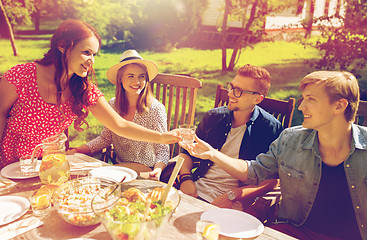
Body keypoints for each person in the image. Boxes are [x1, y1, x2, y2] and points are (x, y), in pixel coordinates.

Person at [181, 71, 365, 240]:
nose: (301, 107)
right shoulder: (289, 140)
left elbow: (270, 183)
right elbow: (255, 171)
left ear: (339, 106)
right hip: (294, 231)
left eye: (311, 99)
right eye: (303, 99)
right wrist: (212, 154)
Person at [0, 19, 179, 169]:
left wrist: (163, 137)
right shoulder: (21, 76)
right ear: (63, 46)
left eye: (94, 54)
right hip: (11, 165)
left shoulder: (84, 89)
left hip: (50, 167)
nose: (91, 61)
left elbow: (119, 125)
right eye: (86, 52)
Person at [178, 64, 283, 210]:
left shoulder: (270, 128)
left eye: (239, 91)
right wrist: (186, 179)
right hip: (195, 191)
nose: (231, 93)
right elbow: (186, 154)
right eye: (231, 87)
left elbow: (274, 180)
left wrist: (235, 194)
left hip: (234, 204)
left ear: (257, 99)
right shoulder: (214, 117)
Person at [71, 50, 170, 181]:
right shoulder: (113, 105)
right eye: (131, 76)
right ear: (120, 79)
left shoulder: (155, 109)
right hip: (120, 167)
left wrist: (158, 169)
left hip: (146, 169)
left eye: (141, 76)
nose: (137, 81)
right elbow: (105, 138)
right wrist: (78, 150)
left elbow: (163, 149)